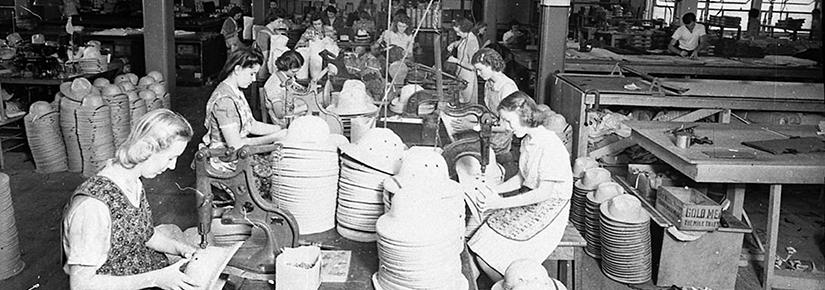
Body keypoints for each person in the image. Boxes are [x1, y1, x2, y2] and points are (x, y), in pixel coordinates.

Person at [62, 109, 199, 289]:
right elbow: (81, 285)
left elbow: (143, 235)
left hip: (142, 272)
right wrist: (156, 279)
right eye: (171, 158)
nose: (172, 166)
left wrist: (178, 248)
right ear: (147, 148)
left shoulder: (132, 182)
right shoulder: (93, 208)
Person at [468, 91, 572, 281]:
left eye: (509, 121)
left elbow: (543, 193)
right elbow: (521, 178)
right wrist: (494, 190)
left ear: (524, 116)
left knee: (488, 254)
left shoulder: (549, 145)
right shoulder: (527, 141)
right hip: (533, 199)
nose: (506, 127)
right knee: (479, 239)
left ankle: (511, 283)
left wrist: (497, 203)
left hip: (551, 208)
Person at [203, 47, 286, 171]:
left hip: (239, 154)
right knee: (277, 173)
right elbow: (235, 145)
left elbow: (251, 125)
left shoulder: (236, 91)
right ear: (237, 69)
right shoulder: (224, 101)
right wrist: (274, 137)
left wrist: (281, 129)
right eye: (251, 74)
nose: (253, 80)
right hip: (224, 159)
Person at [263, 50, 306, 125]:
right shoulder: (274, 84)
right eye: (294, 71)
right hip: (284, 122)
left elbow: (300, 91)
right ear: (285, 67)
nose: (297, 74)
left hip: (295, 112)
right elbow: (279, 114)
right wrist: (305, 107)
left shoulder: (287, 77)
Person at [447, 17, 480, 104]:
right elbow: (459, 42)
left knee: (466, 104)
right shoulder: (464, 37)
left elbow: (473, 67)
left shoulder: (472, 41)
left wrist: (456, 61)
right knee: (460, 101)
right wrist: (453, 44)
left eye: (458, 32)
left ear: (465, 29)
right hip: (460, 76)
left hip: (468, 78)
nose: (457, 34)